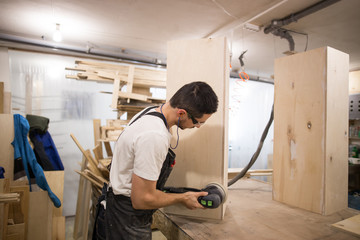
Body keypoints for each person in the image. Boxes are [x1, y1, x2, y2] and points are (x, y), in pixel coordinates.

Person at [104, 81, 219, 239]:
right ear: (181, 114)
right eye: (198, 122)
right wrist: (183, 198)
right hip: (127, 218)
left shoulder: (151, 111)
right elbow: (142, 199)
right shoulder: (154, 136)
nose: (198, 126)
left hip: (117, 206)